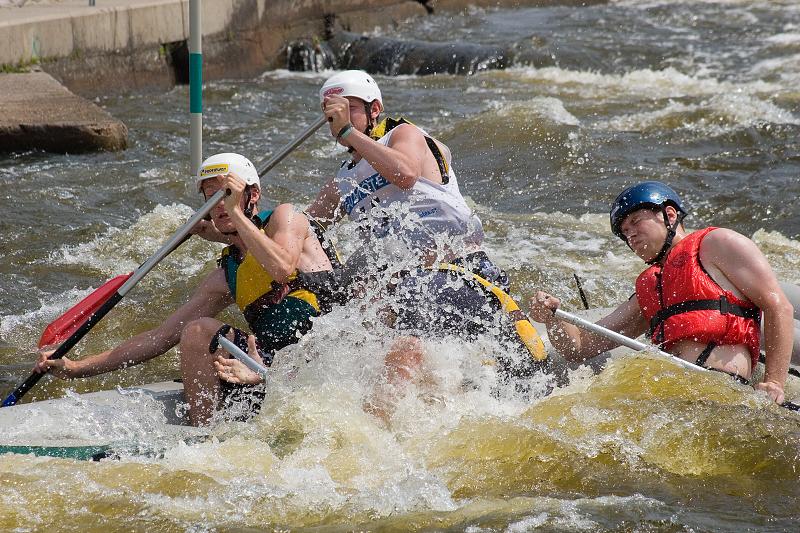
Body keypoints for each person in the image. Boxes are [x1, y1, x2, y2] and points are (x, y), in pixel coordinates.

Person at [34, 153, 334, 425]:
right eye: (210, 198)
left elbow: (281, 268)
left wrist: (236, 215)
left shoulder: (286, 218)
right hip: (268, 359)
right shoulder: (225, 276)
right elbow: (160, 337)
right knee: (196, 332)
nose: (219, 205)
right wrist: (76, 368)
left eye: (226, 194)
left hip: (329, 353)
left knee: (206, 331)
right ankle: (206, 438)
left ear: (253, 195)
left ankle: (264, 376)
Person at [303, 70, 531, 415]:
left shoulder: (403, 134)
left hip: (456, 271)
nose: (337, 117)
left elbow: (406, 174)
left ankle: (375, 424)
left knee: (406, 347)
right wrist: (238, 220)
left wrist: (349, 132)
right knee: (338, 341)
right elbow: (304, 224)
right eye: (331, 112)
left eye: (348, 108)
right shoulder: (343, 180)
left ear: (374, 109)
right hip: (403, 284)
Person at [529, 181, 793, 404]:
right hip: (669, 397)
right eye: (625, 232)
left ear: (669, 215)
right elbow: (581, 347)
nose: (630, 236)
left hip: (721, 389)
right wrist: (552, 318)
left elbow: (778, 306)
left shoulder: (717, 243)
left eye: (635, 222)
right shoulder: (650, 288)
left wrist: (774, 383)